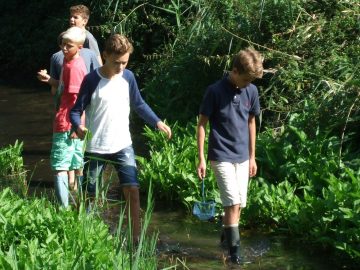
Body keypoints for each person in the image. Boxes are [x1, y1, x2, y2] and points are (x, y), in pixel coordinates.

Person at [70, 34, 172, 242]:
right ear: (105, 56)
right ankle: (82, 233)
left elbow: (139, 104)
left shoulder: (128, 77)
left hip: (123, 145)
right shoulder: (92, 80)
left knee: (132, 190)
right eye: (117, 62)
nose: (121, 67)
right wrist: (78, 126)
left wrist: (157, 122)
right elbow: (75, 110)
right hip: (95, 147)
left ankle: (136, 239)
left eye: (125, 62)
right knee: (89, 194)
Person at [196, 47, 263, 265]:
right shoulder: (214, 91)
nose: (246, 85)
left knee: (239, 204)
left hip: (243, 156)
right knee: (232, 202)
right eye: (244, 80)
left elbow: (251, 122)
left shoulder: (251, 91)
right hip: (221, 155)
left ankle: (225, 241)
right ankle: (235, 256)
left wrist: (252, 156)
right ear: (234, 71)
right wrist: (202, 158)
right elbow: (202, 125)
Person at [38, 31, 100, 191]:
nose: (64, 48)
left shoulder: (75, 68)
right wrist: (50, 80)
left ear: (80, 47)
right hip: (73, 123)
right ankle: (78, 200)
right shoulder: (68, 62)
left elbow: (77, 100)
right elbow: (65, 88)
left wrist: (75, 125)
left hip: (67, 123)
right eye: (62, 44)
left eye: (68, 46)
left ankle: (63, 211)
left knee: (60, 166)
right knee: (76, 162)